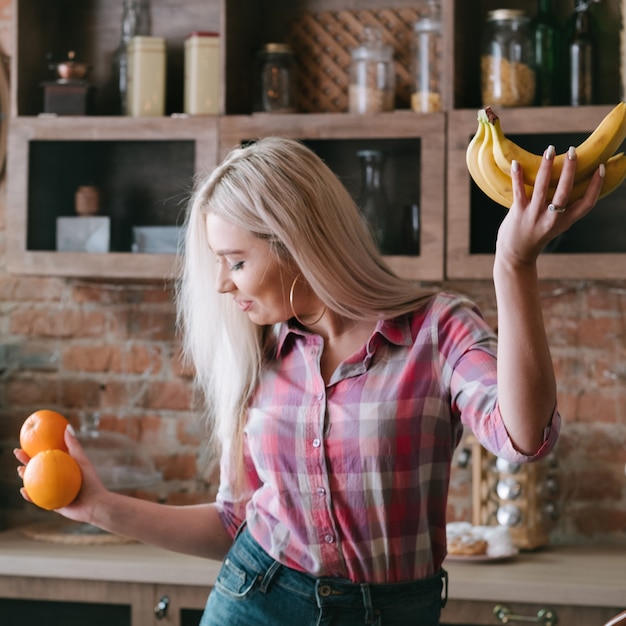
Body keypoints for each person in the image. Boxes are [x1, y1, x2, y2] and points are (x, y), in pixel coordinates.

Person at [15, 137, 604, 625]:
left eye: (237, 261)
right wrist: (100, 508)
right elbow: (235, 524)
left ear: (297, 243)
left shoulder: (437, 328)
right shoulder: (258, 353)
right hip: (254, 601)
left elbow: (524, 439)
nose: (223, 284)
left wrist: (514, 264)